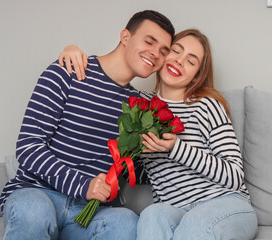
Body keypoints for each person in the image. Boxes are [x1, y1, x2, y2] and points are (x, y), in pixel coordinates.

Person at [60, 29, 258, 239]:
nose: (180, 61)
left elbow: (234, 176)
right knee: (151, 215)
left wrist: (176, 148)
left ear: (197, 75)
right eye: (175, 51)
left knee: (196, 223)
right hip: (176, 210)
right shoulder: (139, 106)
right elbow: (107, 84)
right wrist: (74, 52)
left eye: (191, 62)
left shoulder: (207, 105)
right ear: (163, 55)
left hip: (225, 204)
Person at [0, 10, 174, 240]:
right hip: (37, 193)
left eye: (164, 51)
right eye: (149, 41)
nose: (155, 54)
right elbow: (28, 146)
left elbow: (135, 171)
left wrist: (165, 147)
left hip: (89, 213)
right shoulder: (68, 71)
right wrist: (83, 185)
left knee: (127, 222)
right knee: (34, 212)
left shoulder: (139, 108)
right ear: (125, 37)